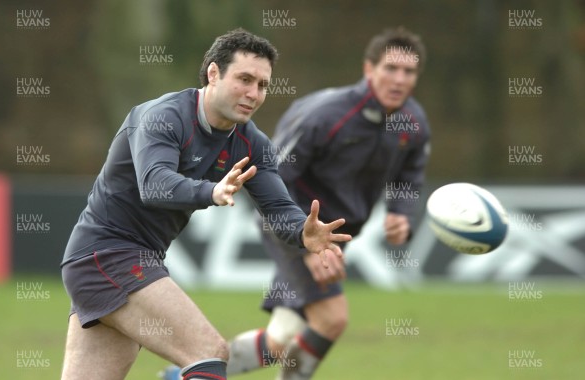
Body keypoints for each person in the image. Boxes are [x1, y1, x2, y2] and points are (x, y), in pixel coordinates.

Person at [60, 28, 352, 380]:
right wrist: (210, 191)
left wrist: (304, 233)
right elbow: (155, 185)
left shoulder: (251, 143)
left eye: (262, 85)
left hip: (120, 263)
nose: (253, 93)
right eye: (244, 79)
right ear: (213, 73)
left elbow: (278, 207)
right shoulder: (162, 117)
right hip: (105, 256)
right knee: (209, 353)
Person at [222, 26, 430, 379]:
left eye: (408, 72)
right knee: (332, 318)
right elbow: (271, 178)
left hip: (332, 240)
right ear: (369, 69)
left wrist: (400, 215)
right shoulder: (324, 115)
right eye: (390, 69)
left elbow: (409, 176)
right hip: (290, 225)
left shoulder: (413, 123)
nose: (399, 79)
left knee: (281, 339)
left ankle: (186, 373)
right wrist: (306, 245)